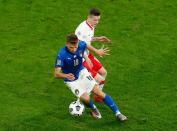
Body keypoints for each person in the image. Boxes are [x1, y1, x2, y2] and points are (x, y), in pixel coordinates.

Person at [54, 33, 127, 121]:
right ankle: (93, 108)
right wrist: (65, 75)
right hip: (71, 80)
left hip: (82, 72)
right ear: (67, 44)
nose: (74, 50)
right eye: (71, 47)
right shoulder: (61, 55)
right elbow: (56, 74)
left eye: (75, 47)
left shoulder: (80, 44)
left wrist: (96, 52)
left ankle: (118, 113)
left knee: (98, 92)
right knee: (86, 98)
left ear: (78, 42)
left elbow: (85, 46)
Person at [75, 8, 110, 102]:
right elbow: (83, 44)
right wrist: (97, 51)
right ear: (88, 18)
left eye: (98, 20)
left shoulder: (90, 25)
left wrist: (98, 38)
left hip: (87, 55)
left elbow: (88, 39)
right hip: (82, 58)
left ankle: (97, 97)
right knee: (99, 80)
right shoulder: (82, 29)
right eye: (95, 20)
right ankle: (82, 100)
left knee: (104, 73)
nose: (97, 22)